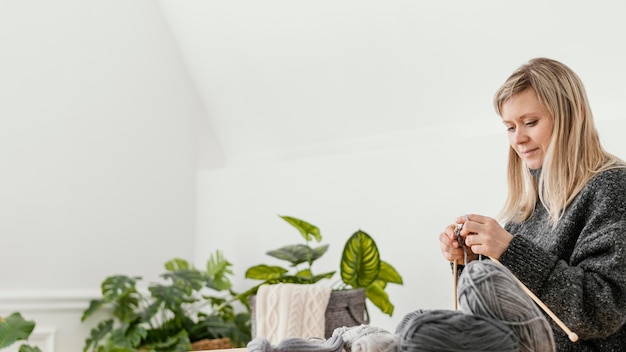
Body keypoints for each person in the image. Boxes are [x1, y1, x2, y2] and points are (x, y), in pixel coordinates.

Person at [438, 57, 626, 351]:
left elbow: (601, 311)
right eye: (510, 127)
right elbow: (513, 311)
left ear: (573, 116)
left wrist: (511, 251)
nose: (519, 139)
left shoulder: (612, 189)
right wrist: (472, 263)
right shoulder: (527, 206)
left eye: (530, 122)